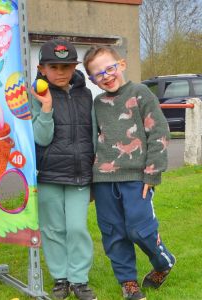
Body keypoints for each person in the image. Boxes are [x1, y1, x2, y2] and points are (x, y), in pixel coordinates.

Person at [83, 46, 175, 300]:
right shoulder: (97, 103)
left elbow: (158, 133)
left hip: (137, 178)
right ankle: (129, 283)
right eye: (97, 74)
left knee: (139, 229)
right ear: (92, 79)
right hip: (103, 180)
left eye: (109, 68)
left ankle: (163, 261)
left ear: (121, 65)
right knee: (113, 233)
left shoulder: (141, 93)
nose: (106, 76)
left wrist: (152, 172)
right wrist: (90, 181)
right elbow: (92, 141)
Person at [30, 39, 97, 300]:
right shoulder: (34, 95)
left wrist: (94, 166)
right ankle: (61, 278)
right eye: (54, 66)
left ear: (75, 67)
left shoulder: (85, 94)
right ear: (41, 68)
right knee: (53, 228)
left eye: (67, 66)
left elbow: (91, 132)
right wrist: (46, 107)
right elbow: (41, 138)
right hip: (49, 175)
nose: (60, 72)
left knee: (77, 227)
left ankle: (79, 279)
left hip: (80, 173)